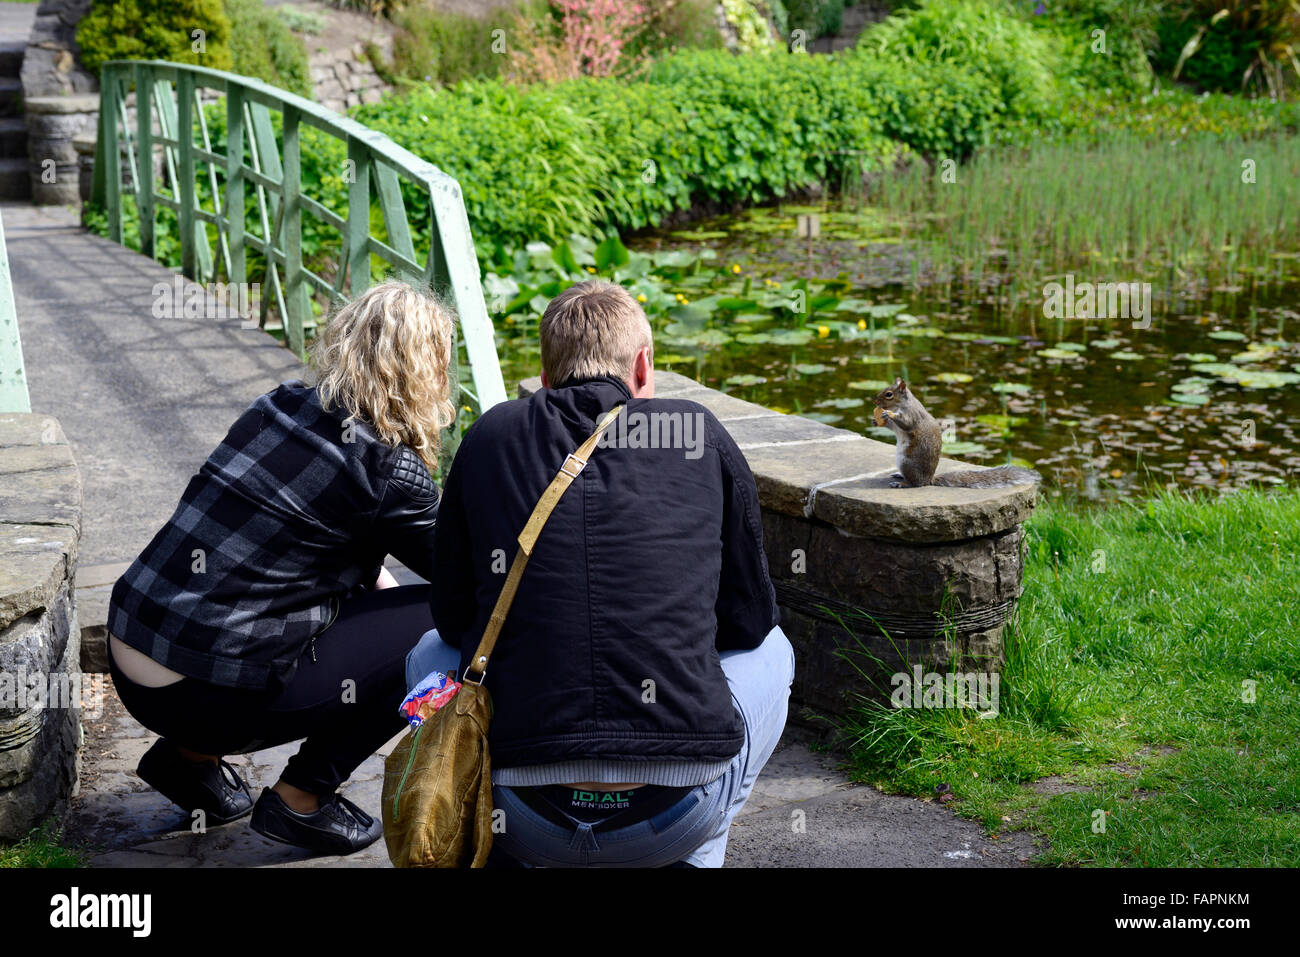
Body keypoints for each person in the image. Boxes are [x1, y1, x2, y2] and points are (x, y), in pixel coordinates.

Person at [406, 280, 795, 868]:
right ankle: (697, 854)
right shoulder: (695, 431)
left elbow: (454, 619)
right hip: (674, 813)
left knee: (424, 656)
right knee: (779, 652)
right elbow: (749, 622)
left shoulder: (490, 435)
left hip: (520, 813)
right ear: (642, 366)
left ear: (544, 371)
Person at [105, 280, 455, 855]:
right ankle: (302, 800)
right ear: (425, 371)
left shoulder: (278, 405)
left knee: (241, 600)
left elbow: (288, 542)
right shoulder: (390, 471)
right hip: (201, 698)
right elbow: (465, 580)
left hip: (131, 656)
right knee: (443, 632)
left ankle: (189, 764)